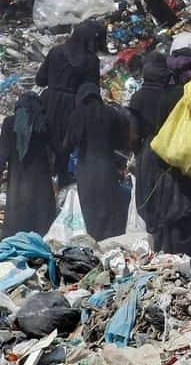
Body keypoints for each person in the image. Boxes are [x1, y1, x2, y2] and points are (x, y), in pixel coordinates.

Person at [128, 51, 191, 255]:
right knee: (174, 199)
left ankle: (160, 245)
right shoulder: (177, 94)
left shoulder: (138, 98)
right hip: (174, 149)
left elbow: (133, 135)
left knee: (152, 198)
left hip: (149, 154)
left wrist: (137, 154)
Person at [35, 19, 105, 185]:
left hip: (48, 102)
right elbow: (91, 90)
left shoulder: (56, 52)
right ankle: (64, 182)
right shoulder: (91, 61)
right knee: (67, 146)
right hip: (73, 107)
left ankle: (46, 183)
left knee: (47, 142)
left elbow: (39, 80)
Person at [66, 84, 130, 241]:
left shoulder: (76, 115)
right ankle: (108, 241)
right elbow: (121, 142)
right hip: (107, 166)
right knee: (108, 207)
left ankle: (92, 239)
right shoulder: (111, 113)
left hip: (85, 168)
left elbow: (70, 142)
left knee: (89, 207)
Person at [0, 93, 55, 237]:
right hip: (40, 183)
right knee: (41, 224)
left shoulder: (9, 123)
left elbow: (2, 153)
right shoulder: (44, 123)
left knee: (16, 224)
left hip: (18, 183)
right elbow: (57, 149)